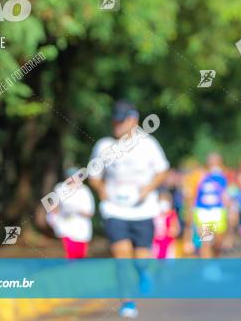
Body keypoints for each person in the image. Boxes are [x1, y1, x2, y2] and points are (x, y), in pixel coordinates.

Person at [88, 101, 169, 319]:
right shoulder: (104, 146)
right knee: (121, 256)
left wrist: (149, 188)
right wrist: (101, 190)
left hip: (143, 210)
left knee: (141, 259)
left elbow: (162, 170)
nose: (116, 123)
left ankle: (143, 272)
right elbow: (94, 177)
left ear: (134, 121)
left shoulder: (148, 144)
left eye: (121, 119)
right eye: (114, 119)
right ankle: (127, 302)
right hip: (115, 210)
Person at [45, 170, 94, 259]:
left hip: (81, 230)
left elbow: (90, 212)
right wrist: (53, 218)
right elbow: (53, 207)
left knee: (79, 256)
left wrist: (75, 210)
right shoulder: (59, 188)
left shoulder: (84, 191)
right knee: (69, 254)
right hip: (65, 228)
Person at [192, 153, 229, 258]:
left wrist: (229, 211)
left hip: (218, 211)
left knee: (218, 242)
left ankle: (215, 261)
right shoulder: (201, 176)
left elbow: (225, 195)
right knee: (206, 241)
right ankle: (208, 269)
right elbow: (194, 194)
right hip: (203, 212)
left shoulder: (222, 177)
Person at [152, 190, 180, 259]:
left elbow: (176, 229)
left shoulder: (172, 215)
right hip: (155, 243)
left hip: (168, 243)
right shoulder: (154, 214)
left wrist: (173, 230)